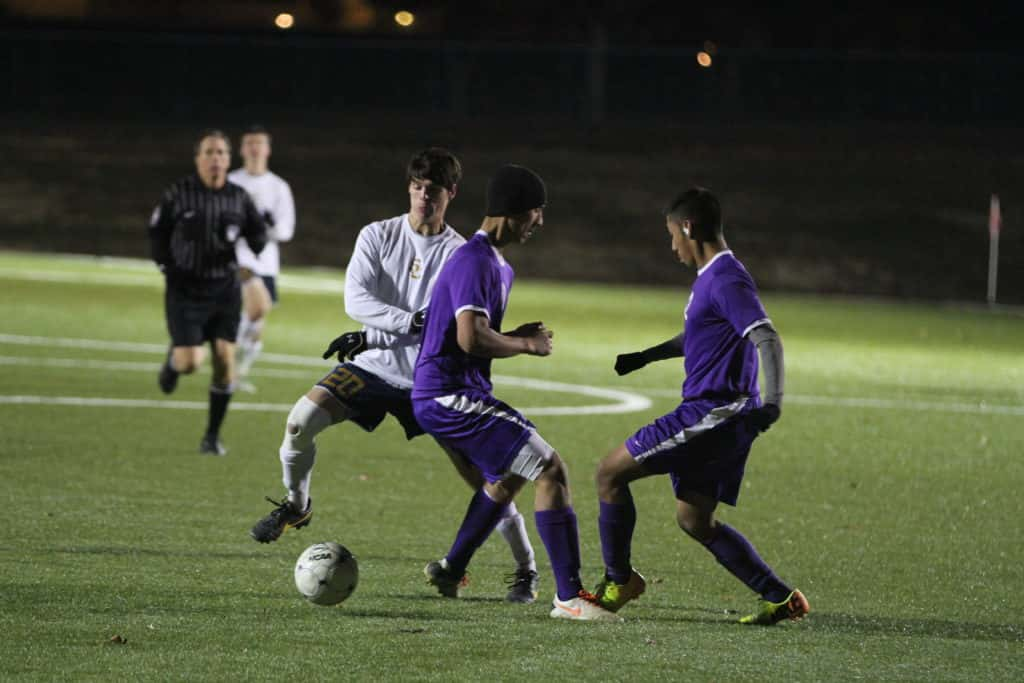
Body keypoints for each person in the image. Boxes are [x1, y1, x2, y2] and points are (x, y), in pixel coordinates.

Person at [249, 149, 542, 604]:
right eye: (418, 186)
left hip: (430, 384)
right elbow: (356, 300)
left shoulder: (460, 254)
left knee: (488, 477)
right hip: (373, 368)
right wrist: (389, 332)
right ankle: (297, 505)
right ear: (409, 187)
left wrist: (381, 331)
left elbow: (446, 326)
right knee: (299, 421)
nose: (425, 196)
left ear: (451, 194)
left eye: (435, 189)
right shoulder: (377, 235)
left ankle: (525, 568)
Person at [592, 186, 809, 625]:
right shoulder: (713, 277)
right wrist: (646, 356)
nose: (672, 245)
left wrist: (775, 402)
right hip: (724, 415)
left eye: (672, 235)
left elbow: (765, 336)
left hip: (713, 412)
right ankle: (781, 597)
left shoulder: (727, 278)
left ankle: (620, 581)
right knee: (694, 519)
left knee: (609, 474)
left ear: (688, 227)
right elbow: (699, 336)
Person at [412, 164, 620, 621]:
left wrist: (510, 333)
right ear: (514, 211)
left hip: (452, 392)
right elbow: (469, 338)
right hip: (447, 394)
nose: (540, 222)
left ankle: (451, 569)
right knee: (551, 468)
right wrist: (525, 344)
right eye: (536, 211)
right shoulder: (474, 260)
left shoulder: (496, 265)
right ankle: (568, 597)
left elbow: (471, 330)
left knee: (509, 476)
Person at [150, 129, 268, 456]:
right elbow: (157, 231)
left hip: (224, 290)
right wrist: (165, 264)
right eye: (209, 152)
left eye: (221, 153)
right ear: (198, 158)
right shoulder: (179, 194)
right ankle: (174, 364)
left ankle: (212, 437)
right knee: (191, 363)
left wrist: (258, 242)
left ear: (229, 160)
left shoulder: (239, 198)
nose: (216, 158)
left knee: (224, 361)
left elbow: (257, 234)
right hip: (185, 289)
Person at [227, 125, 296, 393]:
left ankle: (237, 372)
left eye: (259, 143)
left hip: (266, 261)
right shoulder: (231, 182)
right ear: (242, 149)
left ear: (267, 149)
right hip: (237, 258)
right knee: (256, 308)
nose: (255, 148)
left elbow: (286, 230)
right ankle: (228, 369)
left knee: (256, 321)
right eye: (249, 143)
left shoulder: (278, 187)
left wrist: (267, 227)